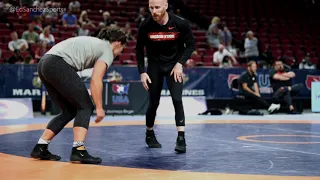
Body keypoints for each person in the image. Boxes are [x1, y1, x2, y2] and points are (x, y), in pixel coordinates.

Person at [30, 27, 127, 164]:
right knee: (86, 106)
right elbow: (96, 79)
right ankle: (78, 150)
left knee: (69, 110)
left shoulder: (95, 43)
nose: (119, 53)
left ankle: (41, 146)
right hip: (57, 64)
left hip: (44, 64)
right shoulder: (107, 49)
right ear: (118, 43)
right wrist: (99, 107)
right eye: (121, 49)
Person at [135, 0, 195, 153]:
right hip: (154, 66)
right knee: (153, 103)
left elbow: (191, 45)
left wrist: (180, 63)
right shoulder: (145, 25)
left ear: (166, 6)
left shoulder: (180, 23)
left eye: (157, 7)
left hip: (174, 66)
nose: (154, 11)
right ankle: (149, 133)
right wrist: (142, 72)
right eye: (151, 8)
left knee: (177, 99)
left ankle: (181, 138)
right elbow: (139, 50)